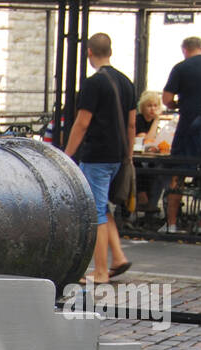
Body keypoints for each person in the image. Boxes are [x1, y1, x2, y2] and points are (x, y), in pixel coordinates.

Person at [65, 33, 135, 284]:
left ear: (89, 53)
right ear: (111, 51)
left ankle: (102, 271)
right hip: (117, 155)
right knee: (103, 207)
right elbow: (132, 123)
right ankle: (118, 257)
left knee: (95, 213)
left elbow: (82, 122)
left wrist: (66, 155)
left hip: (97, 155)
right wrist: (128, 156)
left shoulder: (93, 83)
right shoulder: (126, 82)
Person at [159, 37, 201, 235]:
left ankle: (172, 224)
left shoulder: (181, 68)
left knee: (179, 171)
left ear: (185, 49)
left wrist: (177, 105)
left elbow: (166, 99)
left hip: (191, 123)